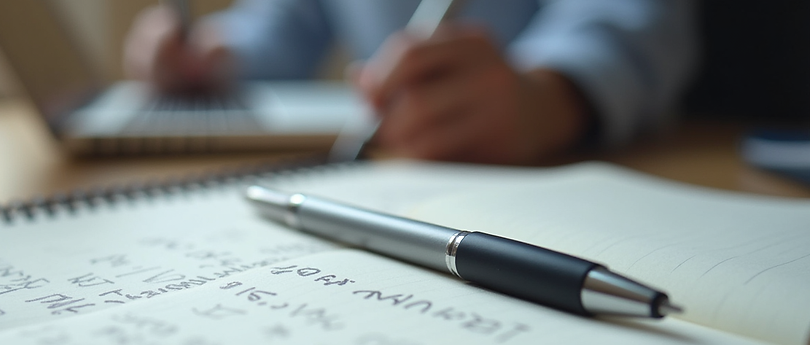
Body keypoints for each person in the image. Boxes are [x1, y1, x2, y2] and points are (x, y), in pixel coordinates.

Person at [124, 0, 697, 164]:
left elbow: (636, 19)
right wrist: (214, 55)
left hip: (576, 168)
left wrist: (551, 94)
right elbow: (288, 20)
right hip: (400, 163)